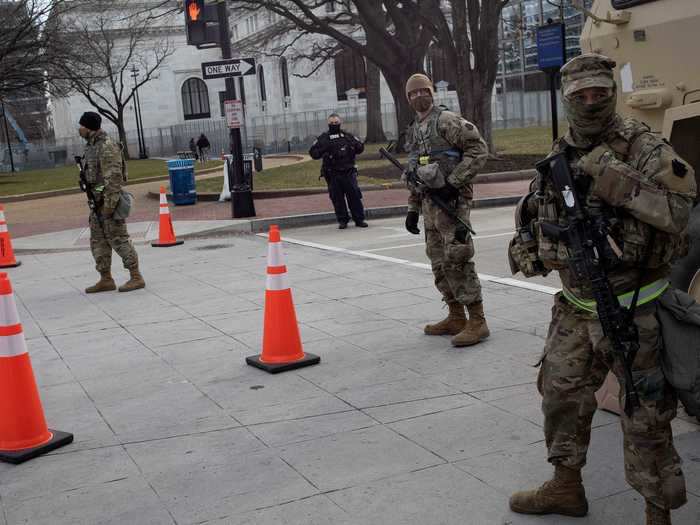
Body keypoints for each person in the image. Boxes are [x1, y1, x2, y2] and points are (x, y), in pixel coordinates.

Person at [507, 54, 696, 525]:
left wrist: (611, 174)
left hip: (635, 309)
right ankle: (566, 486)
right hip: (574, 305)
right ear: (566, 98)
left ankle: (659, 511)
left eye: (600, 94)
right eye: (580, 96)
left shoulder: (645, 147)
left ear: (613, 93)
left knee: (645, 414)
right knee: (560, 395)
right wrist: (527, 245)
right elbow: (536, 210)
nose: (590, 103)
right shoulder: (559, 151)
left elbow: (677, 213)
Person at [403, 73, 489, 347]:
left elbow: (478, 150)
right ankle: (455, 316)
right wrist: (412, 208)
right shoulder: (415, 129)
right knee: (439, 263)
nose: (419, 96)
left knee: (458, 258)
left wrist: (454, 184)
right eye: (413, 93)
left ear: (432, 93)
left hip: (453, 205)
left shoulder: (447, 121)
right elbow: (416, 171)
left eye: (423, 91)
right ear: (408, 99)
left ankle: (478, 321)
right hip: (430, 208)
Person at [78, 111, 145, 293]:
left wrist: (108, 206)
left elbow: (113, 178)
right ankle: (105, 279)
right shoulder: (92, 146)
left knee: (119, 238)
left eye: (81, 125)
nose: (79, 129)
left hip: (108, 204)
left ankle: (136, 276)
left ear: (88, 127)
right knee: (98, 241)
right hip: (96, 203)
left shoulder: (106, 146)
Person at [309, 113, 368, 229]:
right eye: (332, 123)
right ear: (328, 124)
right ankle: (343, 220)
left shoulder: (347, 136)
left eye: (336, 123)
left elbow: (360, 147)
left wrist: (354, 146)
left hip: (348, 172)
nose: (334, 125)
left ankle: (359, 219)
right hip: (332, 174)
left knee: (354, 196)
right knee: (337, 199)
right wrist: (323, 149)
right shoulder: (323, 138)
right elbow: (313, 153)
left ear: (340, 123)